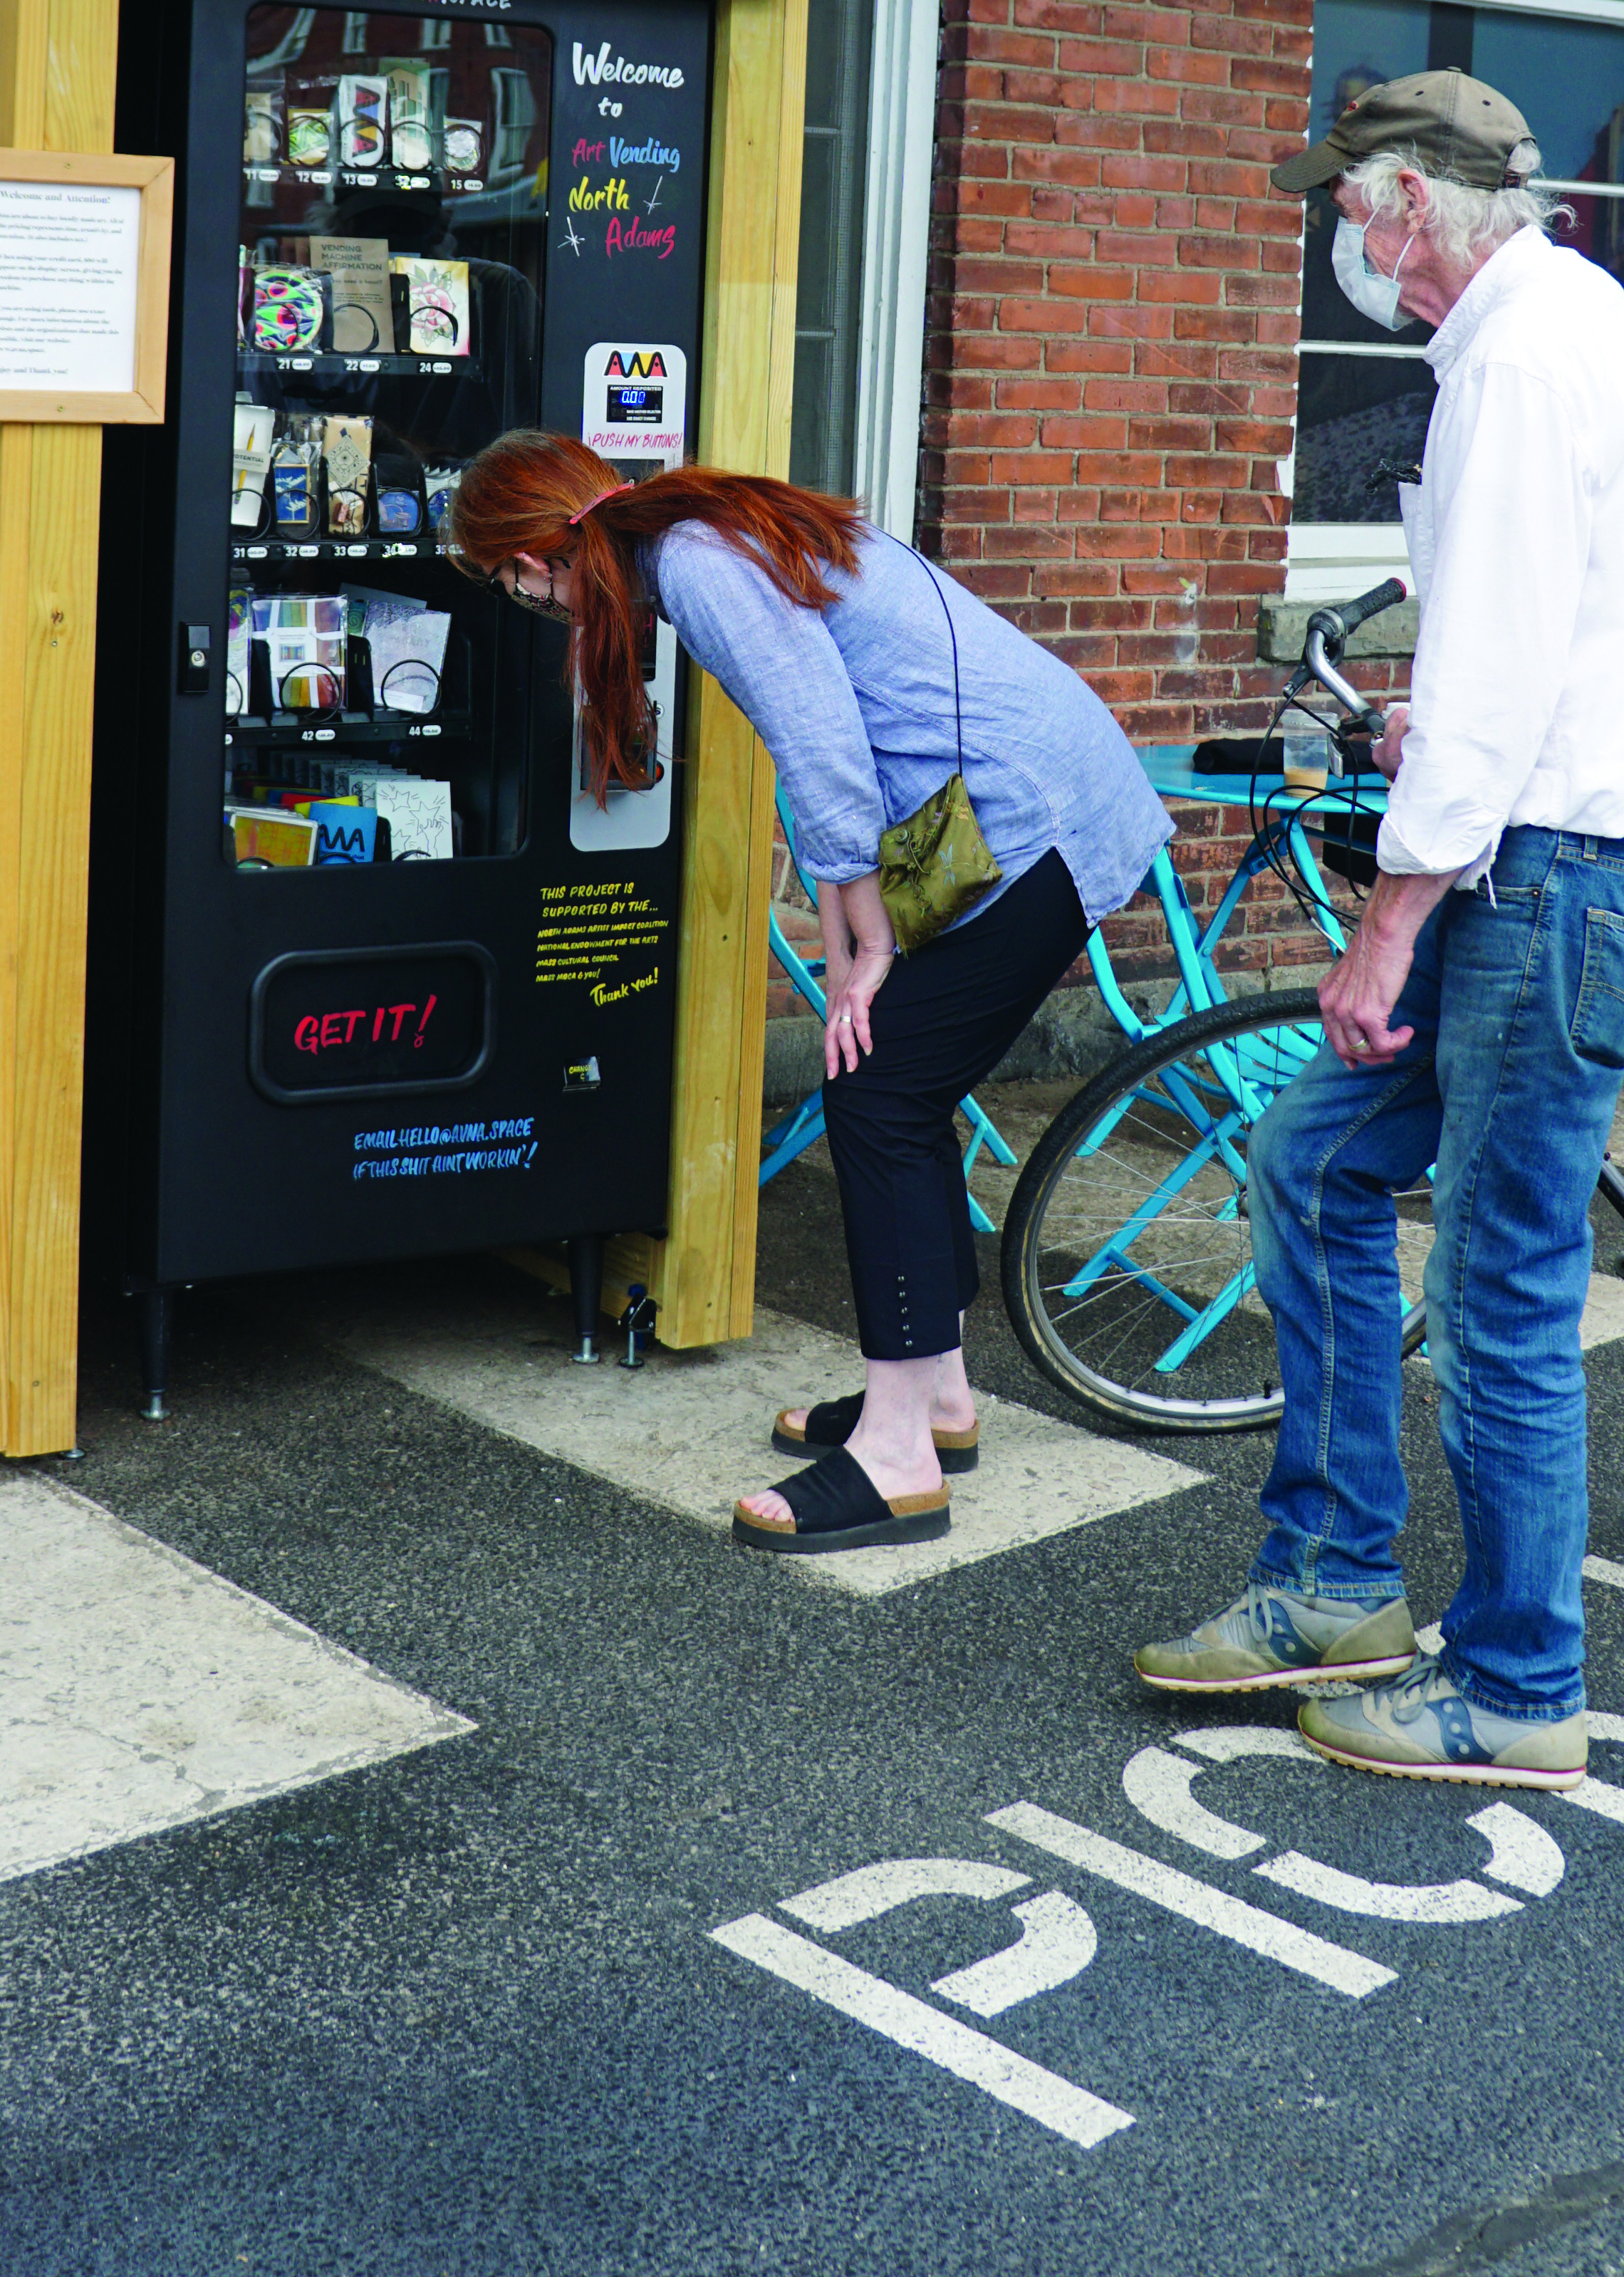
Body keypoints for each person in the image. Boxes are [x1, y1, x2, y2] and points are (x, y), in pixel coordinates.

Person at [1137, 68, 1624, 1788]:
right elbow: (1523, 650)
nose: (1333, 235)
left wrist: (1383, 921)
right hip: (1540, 856)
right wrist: (1441, 754)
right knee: (1313, 1164)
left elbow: (1486, 679)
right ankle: (1331, 1586)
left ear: (1409, 206)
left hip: (1556, 881)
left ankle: (1518, 1685)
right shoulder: (1534, 338)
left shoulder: (1525, 362)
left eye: (1342, 205)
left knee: (1495, 1292)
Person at [448, 432, 1170, 1555]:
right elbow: (829, 731)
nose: (532, 607)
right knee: (896, 1088)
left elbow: (818, 734)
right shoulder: (708, 525)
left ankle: (896, 1463)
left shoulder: (695, 562)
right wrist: (849, 936)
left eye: (511, 584)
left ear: (543, 550)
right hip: (1025, 802)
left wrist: (866, 934)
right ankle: (931, 1400)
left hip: (1033, 826)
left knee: (877, 1098)